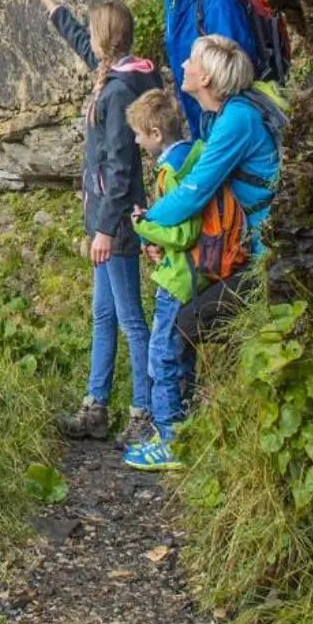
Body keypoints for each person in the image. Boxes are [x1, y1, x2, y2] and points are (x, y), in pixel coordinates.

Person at [124, 34, 286, 469]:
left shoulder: (235, 120)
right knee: (190, 320)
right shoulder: (240, 108)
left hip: (265, 256)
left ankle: (177, 438)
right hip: (256, 249)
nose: (184, 67)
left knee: (185, 322)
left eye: (192, 62)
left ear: (208, 77)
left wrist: (147, 224)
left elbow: (194, 192)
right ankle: (189, 427)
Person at [19, 0, 161, 445]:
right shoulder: (116, 74)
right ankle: (95, 406)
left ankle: (144, 413)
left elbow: (120, 168)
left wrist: (103, 230)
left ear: (106, 39)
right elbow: (84, 45)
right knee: (104, 315)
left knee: (130, 317)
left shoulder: (120, 91)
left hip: (116, 222)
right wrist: (48, 1)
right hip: (106, 218)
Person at [123, 88, 197, 471]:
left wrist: (145, 227)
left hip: (178, 280)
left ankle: (169, 439)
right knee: (180, 356)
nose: (136, 140)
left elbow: (184, 235)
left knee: (162, 356)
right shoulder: (189, 157)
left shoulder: (173, 172)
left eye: (138, 133)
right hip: (182, 273)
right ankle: (183, 431)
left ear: (154, 133)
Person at [152, 0, 256, 139]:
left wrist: (218, 138)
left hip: (226, 129)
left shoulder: (217, 2)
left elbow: (231, 76)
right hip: (202, 122)